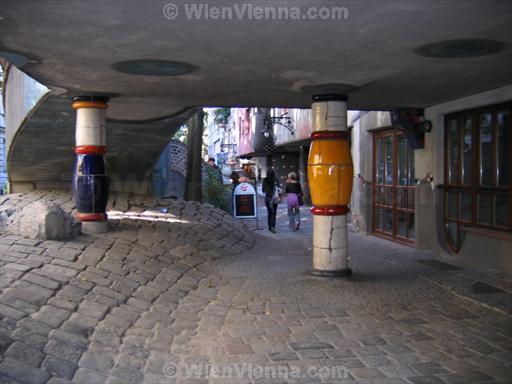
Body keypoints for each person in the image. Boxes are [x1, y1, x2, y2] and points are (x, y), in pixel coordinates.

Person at [262, 168, 280, 233]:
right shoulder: (276, 180)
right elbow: (279, 189)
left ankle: (269, 226)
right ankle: (273, 226)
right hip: (274, 198)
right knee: (274, 212)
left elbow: (263, 190)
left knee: (269, 212)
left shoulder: (265, 180)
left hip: (268, 198)